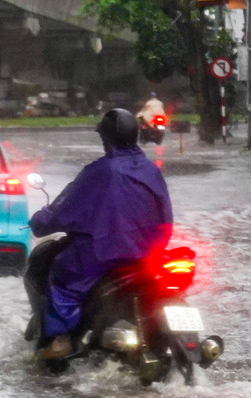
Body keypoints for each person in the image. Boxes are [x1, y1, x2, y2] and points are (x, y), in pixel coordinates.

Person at [27, 108, 174, 360]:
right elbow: (166, 216)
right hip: (148, 254)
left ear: (105, 139)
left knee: (63, 278)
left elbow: (64, 210)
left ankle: (61, 339)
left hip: (102, 255)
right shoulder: (151, 170)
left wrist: (41, 220)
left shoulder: (100, 171)